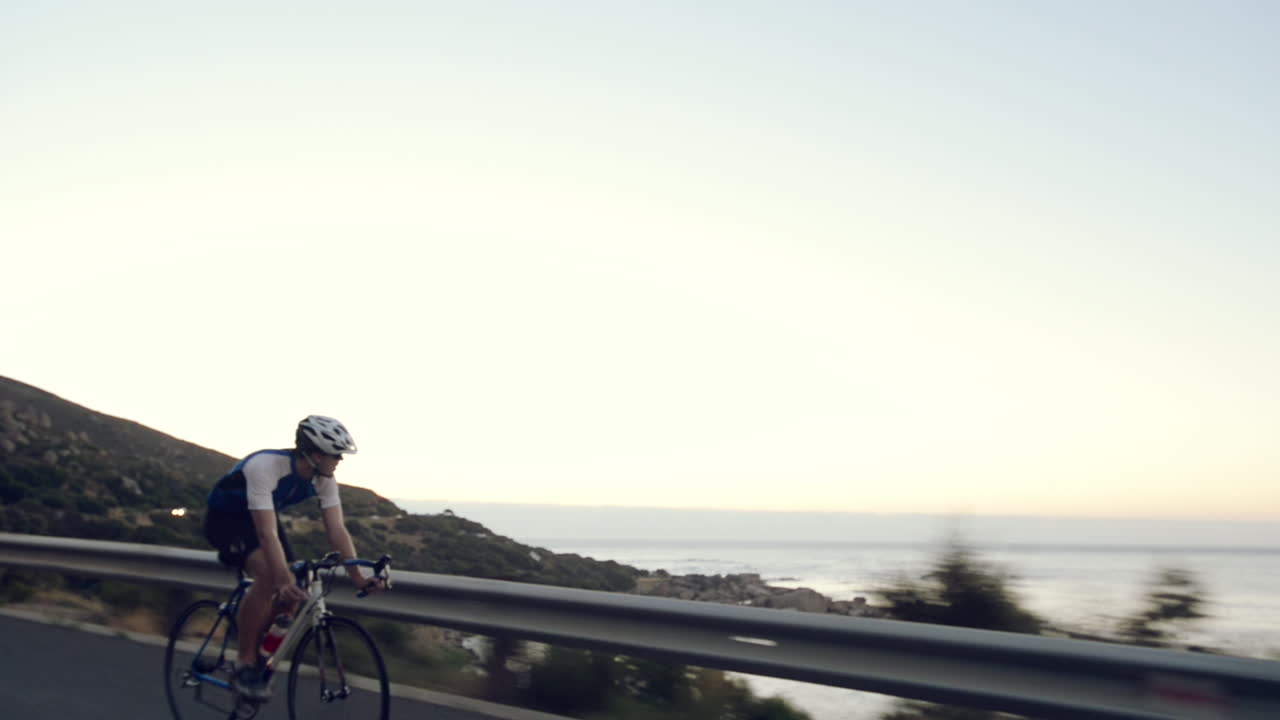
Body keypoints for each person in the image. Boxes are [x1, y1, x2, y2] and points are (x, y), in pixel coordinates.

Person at [204, 415, 386, 699]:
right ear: (315, 455)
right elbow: (266, 534)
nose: (339, 460)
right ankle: (245, 661)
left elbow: (336, 529)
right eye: (335, 454)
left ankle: (259, 638)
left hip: (262, 520)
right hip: (226, 520)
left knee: (293, 588)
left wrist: (358, 578)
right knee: (269, 576)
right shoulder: (264, 467)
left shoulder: (323, 479)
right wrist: (279, 576)